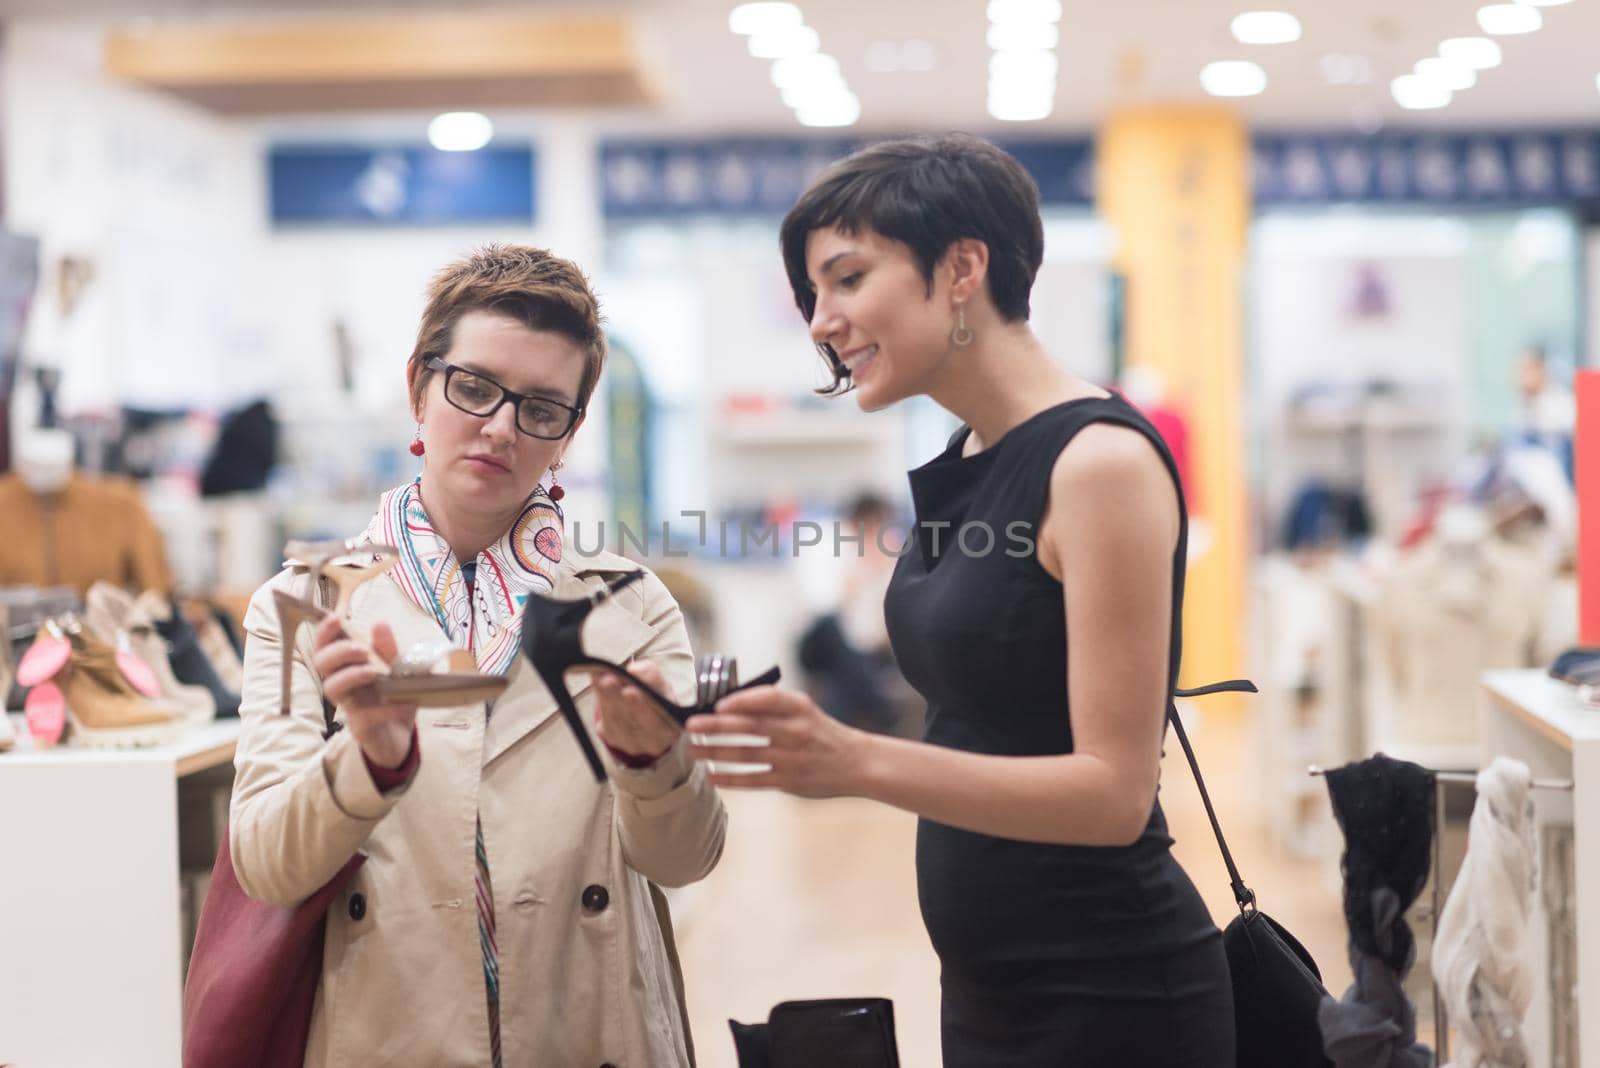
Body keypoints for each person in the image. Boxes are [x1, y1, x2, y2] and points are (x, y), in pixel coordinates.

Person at [685, 135, 1235, 1066]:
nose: (822, 321)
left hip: (1113, 994)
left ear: (961, 269)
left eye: (847, 279)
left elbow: (1112, 792)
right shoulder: (967, 458)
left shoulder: (1098, 463)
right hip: (989, 987)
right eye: (813, 296)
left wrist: (854, 758)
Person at [230, 245, 723, 1067]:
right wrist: (369, 763)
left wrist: (652, 758)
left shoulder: (630, 605)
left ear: (567, 436)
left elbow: (685, 857)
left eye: (541, 408)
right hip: (389, 1033)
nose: (500, 427)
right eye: (474, 388)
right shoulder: (304, 607)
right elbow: (266, 866)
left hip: (593, 1029)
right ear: (420, 387)